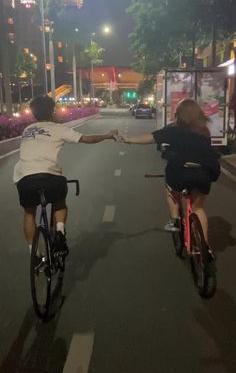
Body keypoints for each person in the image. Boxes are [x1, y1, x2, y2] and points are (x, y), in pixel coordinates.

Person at [14, 95, 118, 255]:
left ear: (33, 113)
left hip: (24, 179)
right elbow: (86, 139)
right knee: (59, 202)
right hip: (50, 178)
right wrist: (108, 135)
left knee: (29, 212)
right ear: (52, 111)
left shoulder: (27, 130)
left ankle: (34, 253)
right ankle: (60, 231)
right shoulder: (59, 129)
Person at [118, 99, 220, 249]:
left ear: (179, 114)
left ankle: (174, 220)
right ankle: (205, 248)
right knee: (198, 208)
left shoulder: (174, 130)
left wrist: (128, 140)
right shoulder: (204, 130)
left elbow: (152, 138)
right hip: (203, 172)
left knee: (171, 189)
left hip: (180, 173)